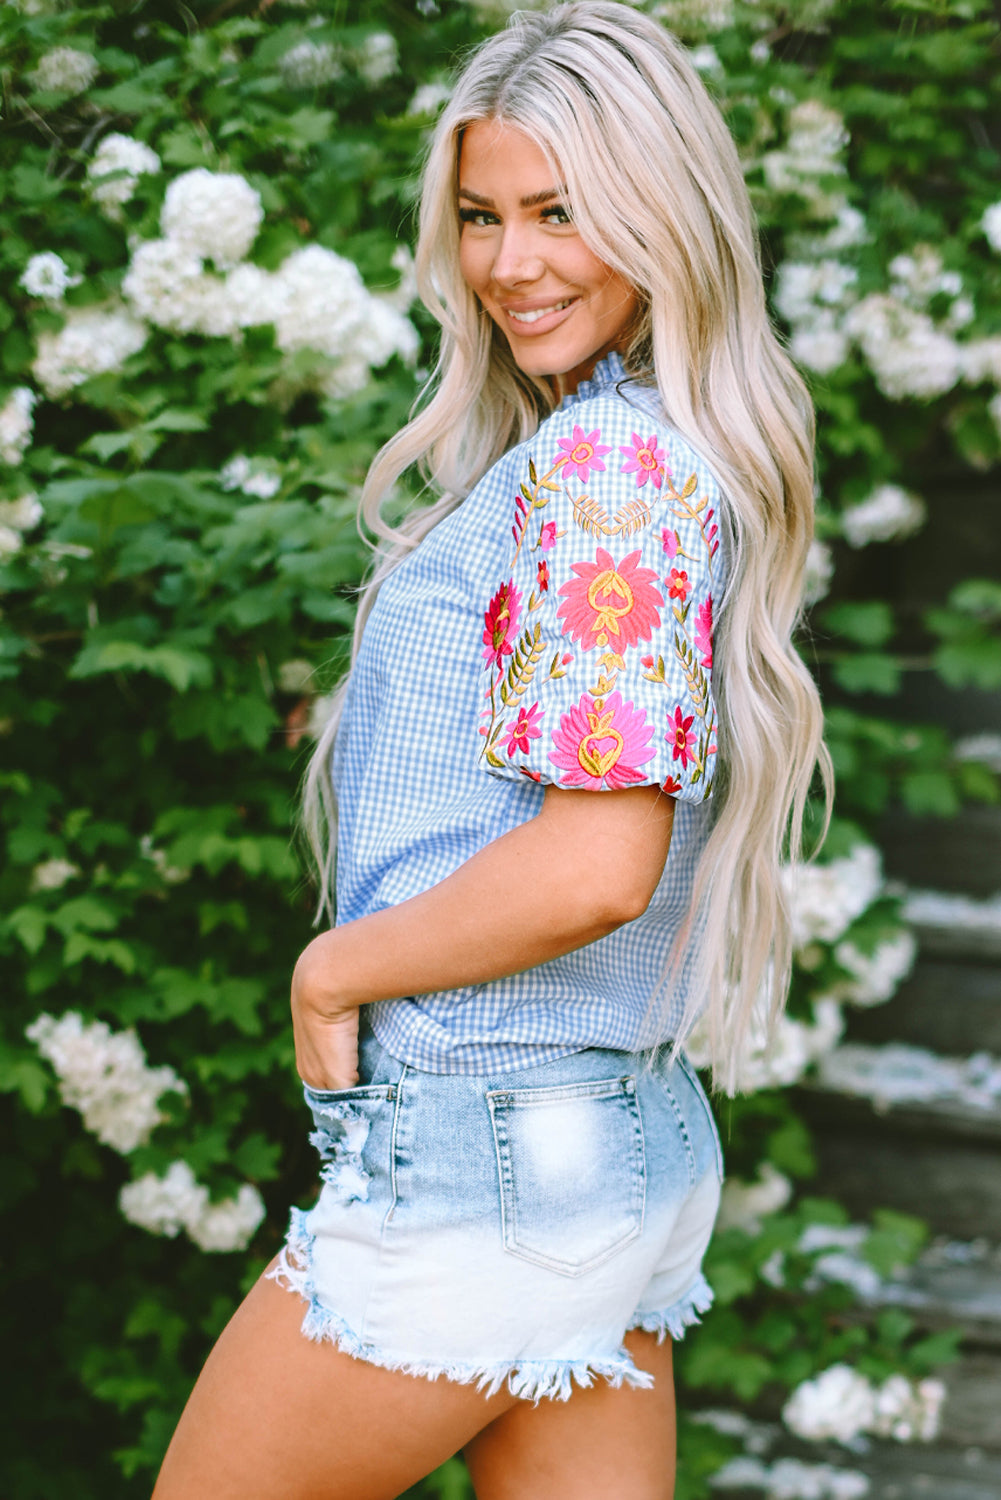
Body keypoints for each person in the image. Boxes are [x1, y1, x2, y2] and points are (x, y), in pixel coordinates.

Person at [152, 5, 829, 1497]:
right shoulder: (639, 442)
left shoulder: (602, 468)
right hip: (609, 1143)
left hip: (491, 1145)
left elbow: (595, 861)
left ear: (663, 215)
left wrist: (334, 969)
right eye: (480, 217)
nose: (511, 264)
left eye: (560, 213)